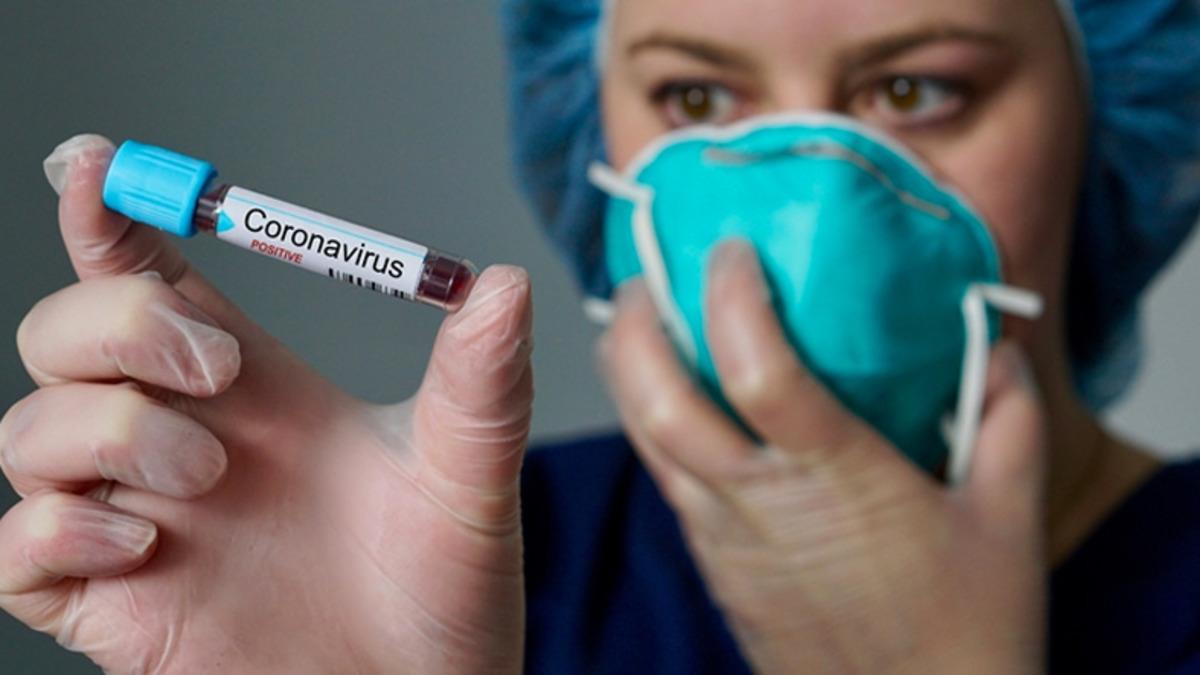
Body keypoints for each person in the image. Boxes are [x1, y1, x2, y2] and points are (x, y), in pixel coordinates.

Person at [0, 0, 1197, 673]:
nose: (806, 198)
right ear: (593, 133)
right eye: (697, 98)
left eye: (914, 89)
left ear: (1107, 118)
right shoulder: (478, 557)